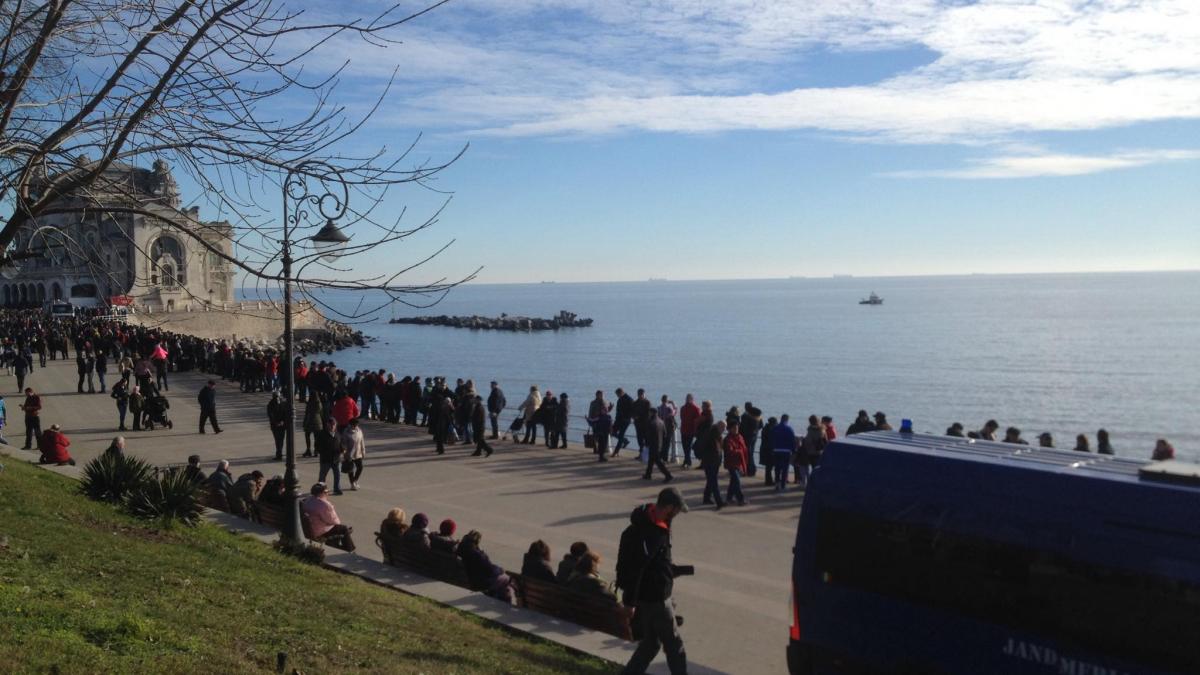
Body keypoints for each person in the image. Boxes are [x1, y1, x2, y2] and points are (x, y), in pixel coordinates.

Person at [617, 487, 690, 675]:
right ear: (668, 508)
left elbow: (652, 562)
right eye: (676, 510)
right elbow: (638, 566)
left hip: (648, 594)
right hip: (655, 597)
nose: (677, 515)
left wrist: (672, 570)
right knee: (674, 645)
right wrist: (629, 602)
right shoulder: (652, 532)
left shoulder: (648, 520)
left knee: (651, 643)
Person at [457, 530, 513, 602]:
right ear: (477, 542)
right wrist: (500, 570)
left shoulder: (461, 551)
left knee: (501, 580)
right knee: (506, 579)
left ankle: (495, 596)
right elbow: (490, 570)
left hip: (470, 579)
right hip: (481, 582)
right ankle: (504, 603)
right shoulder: (477, 555)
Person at [303, 483, 355, 551]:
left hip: (311, 528)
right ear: (322, 493)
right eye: (327, 492)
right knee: (343, 529)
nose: (328, 494)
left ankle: (334, 544)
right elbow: (333, 521)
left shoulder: (308, 499)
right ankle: (350, 549)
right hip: (319, 531)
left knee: (339, 529)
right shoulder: (324, 504)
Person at [695, 420, 726, 509]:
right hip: (710, 461)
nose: (724, 429)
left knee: (710, 481)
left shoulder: (715, 434)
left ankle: (706, 498)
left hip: (713, 461)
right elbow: (715, 449)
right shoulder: (713, 435)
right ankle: (719, 501)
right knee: (713, 481)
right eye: (723, 427)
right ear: (718, 426)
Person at [642, 408, 673, 483]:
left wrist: (646, 443)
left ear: (651, 413)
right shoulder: (661, 422)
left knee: (658, 461)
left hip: (653, 444)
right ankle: (648, 474)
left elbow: (648, 435)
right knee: (651, 460)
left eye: (649, 413)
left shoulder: (651, 422)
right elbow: (665, 434)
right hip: (659, 444)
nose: (648, 414)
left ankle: (668, 475)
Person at [315, 417, 344, 495]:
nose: (332, 426)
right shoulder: (322, 434)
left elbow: (341, 444)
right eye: (330, 425)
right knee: (322, 476)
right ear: (327, 425)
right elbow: (317, 446)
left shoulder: (338, 433)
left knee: (337, 475)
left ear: (336, 425)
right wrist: (323, 452)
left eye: (334, 424)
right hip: (326, 459)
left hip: (336, 459)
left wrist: (342, 450)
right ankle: (320, 490)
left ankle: (337, 489)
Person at [723, 421, 748, 506]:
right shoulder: (727, 439)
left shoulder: (740, 437)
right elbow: (730, 451)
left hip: (739, 462)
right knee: (737, 481)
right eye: (734, 428)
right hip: (731, 463)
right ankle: (740, 499)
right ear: (730, 429)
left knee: (733, 481)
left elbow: (744, 448)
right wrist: (740, 451)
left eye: (737, 427)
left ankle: (728, 498)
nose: (736, 429)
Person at [773, 414, 797, 492]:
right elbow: (792, 440)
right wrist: (793, 450)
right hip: (786, 451)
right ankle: (783, 486)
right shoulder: (789, 429)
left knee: (777, 468)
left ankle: (777, 484)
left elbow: (771, 439)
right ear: (787, 420)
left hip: (776, 450)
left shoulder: (775, 428)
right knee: (785, 469)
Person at [340, 417, 366, 490]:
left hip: (358, 453)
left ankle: (354, 481)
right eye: (353, 425)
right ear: (350, 424)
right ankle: (352, 484)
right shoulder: (346, 432)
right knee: (350, 470)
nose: (355, 426)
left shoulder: (359, 430)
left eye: (356, 425)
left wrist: (363, 451)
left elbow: (362, 441)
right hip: (349, 454)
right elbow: (343, 443)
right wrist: (344, 453)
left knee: (360, 467)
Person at [302, 392, 325, 457]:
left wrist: (304, 423)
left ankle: (308, 449)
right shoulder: (319, 403)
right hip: (317, 421)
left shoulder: (309, 403)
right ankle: (316, 450)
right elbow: (321, 413)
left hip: (309, 421)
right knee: (316, 437)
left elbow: (306, 413)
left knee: (307, 435)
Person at [612, 387, 634, 455]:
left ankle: (616, 452)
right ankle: (625, 441)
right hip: (618, 419)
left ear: (621, 393)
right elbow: (618, 411)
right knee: (612, 432)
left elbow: (632, 410)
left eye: (617, 395)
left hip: (625, 420)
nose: (617, 396)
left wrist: (628, 417)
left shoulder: (629, 399)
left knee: (621, 435)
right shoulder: (620, 399)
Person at [267, 391, 288, 461]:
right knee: (279, 440)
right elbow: (271, 415)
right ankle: (279, 453)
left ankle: (279, 453)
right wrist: (281, 422)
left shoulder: (271, 404)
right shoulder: (282, 403)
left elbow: (271, 415)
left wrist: (279, 422)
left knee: (279, 440)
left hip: (277, 425)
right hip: (278, 425)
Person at [658, 395, 678, 462]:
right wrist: (673, 403)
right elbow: (674, 412)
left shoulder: (659, 408)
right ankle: (665, 458)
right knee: (667, 444)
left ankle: (660, 457)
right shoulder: (669, 408)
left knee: (662, 443)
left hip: (661, 427)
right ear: (667, 400)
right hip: (668, 428)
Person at [759, 416, 777, 486]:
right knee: (770, 466)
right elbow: (771, 441)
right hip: (769, 450)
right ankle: (769, 481)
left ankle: (768, 480)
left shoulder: (765, 428)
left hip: (764, 449)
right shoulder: (771, 429)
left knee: (768, 467)